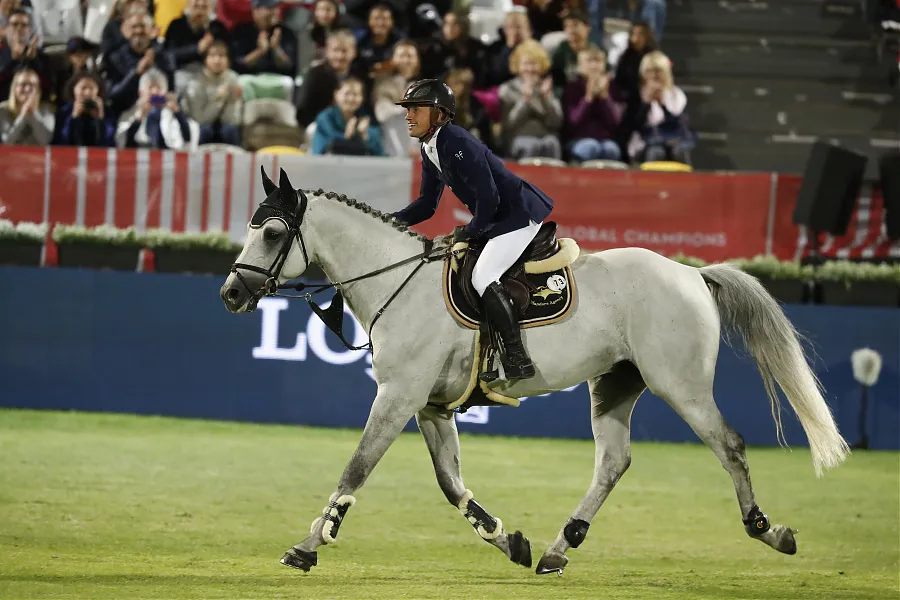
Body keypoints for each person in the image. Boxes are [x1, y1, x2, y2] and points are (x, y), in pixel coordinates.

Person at [391, 78, 554, 383]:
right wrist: (390, 222)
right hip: (498, 219)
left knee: (482, 277)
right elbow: (427, 204)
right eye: (407, 109)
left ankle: (517, 358)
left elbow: (489, 197)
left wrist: (471, 231)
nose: (408, 115)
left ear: (439, 113)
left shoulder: (455, 140)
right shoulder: (430, 147)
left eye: (415, 108)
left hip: (516, 216)